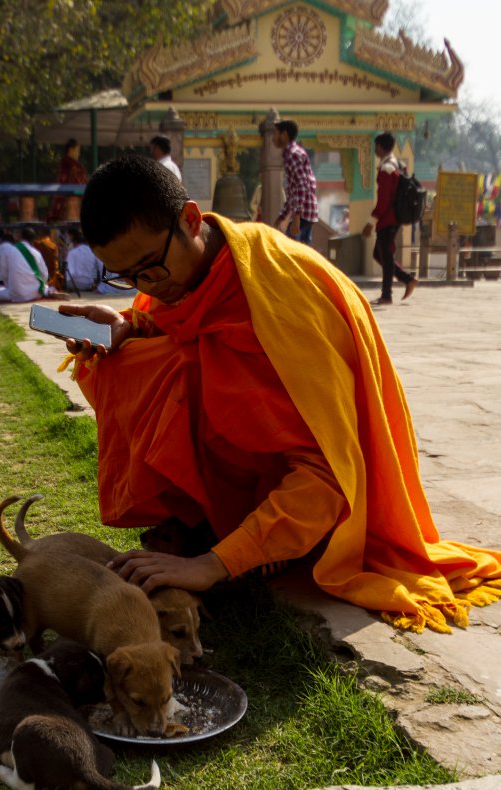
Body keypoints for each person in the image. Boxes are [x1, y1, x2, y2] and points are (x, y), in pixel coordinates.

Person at [53, 154, 501, 635]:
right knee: (132, 361)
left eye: (149, 269)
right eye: (127, 277)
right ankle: (207, 518)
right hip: (252, 463)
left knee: (181, 370)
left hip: (330, 497)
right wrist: (128, 326)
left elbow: (330, 474)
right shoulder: (180, 276)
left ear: (189, 220)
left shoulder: (279, 298)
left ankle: (259, 544)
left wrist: (215, 563)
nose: (146, 287)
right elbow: (178, 333)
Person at [362, 132, 418, 304]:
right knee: (379, 254)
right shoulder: (398, 164)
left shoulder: (387, 168)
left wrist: (371, 222)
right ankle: (407, 279)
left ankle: (387, 295)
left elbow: (384, 199)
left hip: (388, 219)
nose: (374, 150)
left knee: (385, 256)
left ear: (379, 146)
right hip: (394, 217)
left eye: (375, 146)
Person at [272, 120, 319, 245]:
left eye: (276, 134)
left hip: (302, 214)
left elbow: (301, 185)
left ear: (284, 135)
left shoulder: (293, 154)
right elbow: (293, 193)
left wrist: (297, 218)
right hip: (306, 213)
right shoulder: (292, 153)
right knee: (302, 256)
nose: (273, 138)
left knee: (289, 253)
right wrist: (280, 219)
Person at [0, 226, 62, 303]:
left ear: (20, 238)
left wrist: (9, 284)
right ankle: (48, 291)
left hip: (16, 294)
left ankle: (47, 291)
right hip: (36, 293)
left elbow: (3, 274)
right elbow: (45, 275)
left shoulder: (10, 251)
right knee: (45, 287)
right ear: (33, 240)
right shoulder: (36, 253)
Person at [47, 138, 89, 222]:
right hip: (70, 200)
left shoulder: (71, 165)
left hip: (70, 199)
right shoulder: (71, 166)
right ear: (71, 150)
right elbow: (80, 183)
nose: (78, 154)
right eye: (77, 150)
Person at [34, 226, 65, 291]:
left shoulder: (38, 244)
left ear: (40, 234)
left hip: (41, 275)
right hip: (52, 275)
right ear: (49, 234)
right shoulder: (53, 245)